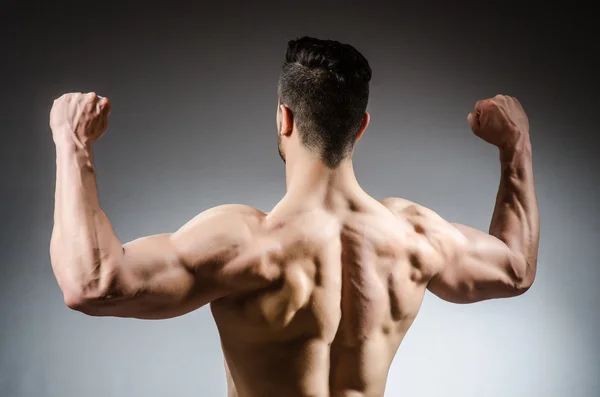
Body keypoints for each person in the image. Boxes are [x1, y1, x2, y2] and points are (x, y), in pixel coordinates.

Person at [49, 37, 539, 397]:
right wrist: (515, 147)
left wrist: (73, 143)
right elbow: (515, 269)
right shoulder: (414, 236)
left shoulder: (244, 243)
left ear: (284, 118)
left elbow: (92, 283)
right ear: (361, 126)